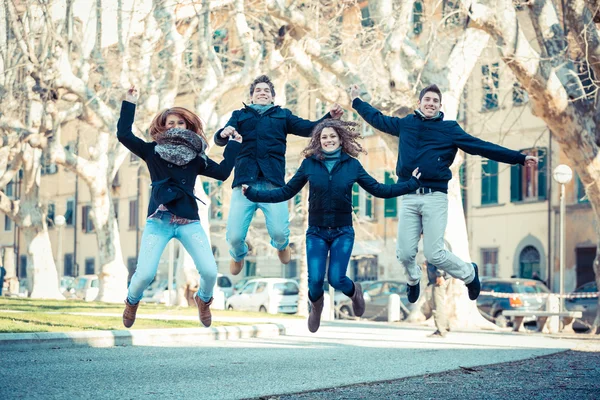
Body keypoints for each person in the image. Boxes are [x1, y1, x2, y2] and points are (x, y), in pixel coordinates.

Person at [350, 83, 539, 303]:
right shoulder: (406, 124)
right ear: (419, 103)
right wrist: (356, 102)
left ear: (440, 106)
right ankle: (413, 280)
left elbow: (482, 146)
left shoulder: (450, 129)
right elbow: (377, 119)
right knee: (404, 253)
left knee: (434, 254)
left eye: (435, 101)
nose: (431, 104)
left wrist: (518, 158)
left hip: (435, 197)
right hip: (409, 196)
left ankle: (469, 273)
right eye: (427, 100)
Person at [242, 119, 422, 332]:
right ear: (318, 140)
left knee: (337, 278)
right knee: (315, 281)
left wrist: (411, 184)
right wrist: (254, 193)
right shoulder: (309, 164)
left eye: (332, 137)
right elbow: (286, 191)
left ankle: (355, 291)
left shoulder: (352, 165)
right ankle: (316, 307)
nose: (328, 140)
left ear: (340, 139)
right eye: (324, 137)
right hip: (316, 231)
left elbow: (380, 190)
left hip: (342, 231)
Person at [118, 87, 242, 328]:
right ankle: (132, 302)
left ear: (188, 127)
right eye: (170, 122)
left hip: (188, 221)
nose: (174, 126)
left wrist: (234, 146)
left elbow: (223, 173)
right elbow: (123, 134)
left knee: (209, 271)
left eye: (180, 122)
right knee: (144, 274)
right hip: (159, 221)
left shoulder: (197, 158)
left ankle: (203, 300)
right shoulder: (151, 151)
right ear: (163, 128)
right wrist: (129, 102)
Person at [213, 75, 343, 276]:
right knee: (234, 236)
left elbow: (309, 128)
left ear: (272, 97)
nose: (262, 93)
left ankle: (282, 246)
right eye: (258, 90)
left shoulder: (283, 116)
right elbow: (222, 138)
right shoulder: (239, 115)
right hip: (245, 184)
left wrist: (329, 117)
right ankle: (238, 255)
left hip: (273, 184)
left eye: (266, 91)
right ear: (252, 96)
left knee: (279, 232)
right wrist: (222, 133)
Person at [427, 262, 449, 338]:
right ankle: (445, 326)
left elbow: (439, 258)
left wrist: (440, 275)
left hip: (440, 277)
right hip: (442, 276)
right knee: (439, 304)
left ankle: (441, 330)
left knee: (437, 305)